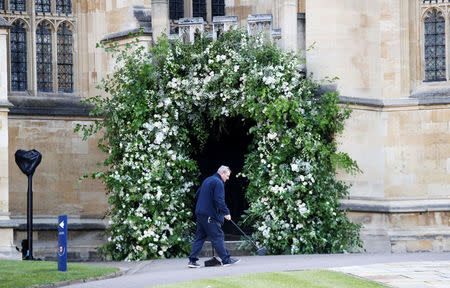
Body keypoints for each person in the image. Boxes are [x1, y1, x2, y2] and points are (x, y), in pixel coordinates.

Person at [188, 165, 240, 268]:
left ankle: (192, 261)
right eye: (227, 176)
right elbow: (219, 200)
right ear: (222, 173)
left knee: (200, 237)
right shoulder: (218, 182)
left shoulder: (208, 180)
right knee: (218, 236)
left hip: (200, 213)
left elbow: (198, 194)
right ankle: (226, 260)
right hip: (209, 215)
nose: (227, 178)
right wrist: (226, 212)